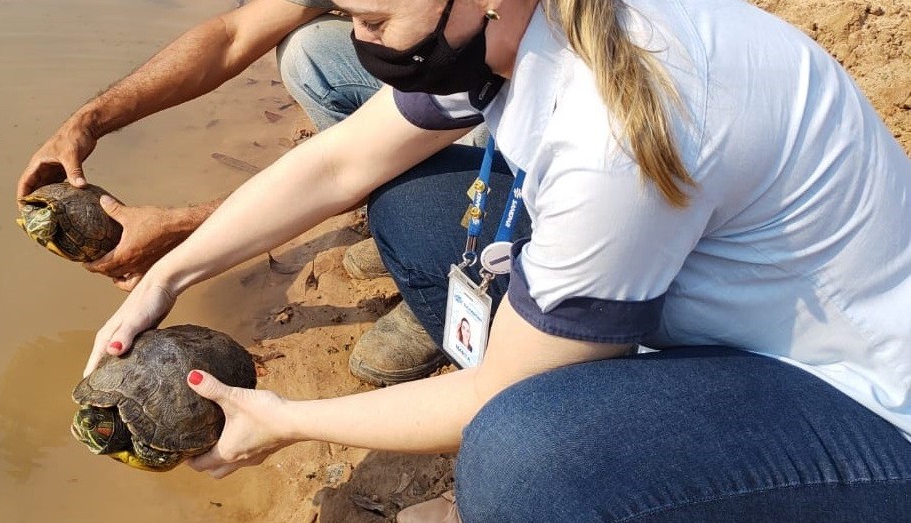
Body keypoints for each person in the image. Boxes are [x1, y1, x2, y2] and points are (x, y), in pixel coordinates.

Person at [87, 0, 911, 519]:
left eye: (374, 23)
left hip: (855, 402)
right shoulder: (510, 30)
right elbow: (339, 163)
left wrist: (284, 420)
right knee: (410, 206)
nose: (362, 41)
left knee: (523, 455)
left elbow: (495, 396)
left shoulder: (615, 128)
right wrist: (166, 276)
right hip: (699, 306)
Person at [16, 0, 470, 385]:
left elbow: (344, 170)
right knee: (308, 50)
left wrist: (180, 229)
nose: (358, 35)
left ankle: (456, 268)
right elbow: (233, 36)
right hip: (462, 66)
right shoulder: (451, 54)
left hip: (499, 125)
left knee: (420, 197)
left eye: (372, 21)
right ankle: (417, 219)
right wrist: (88, 121)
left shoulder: (514, 69)